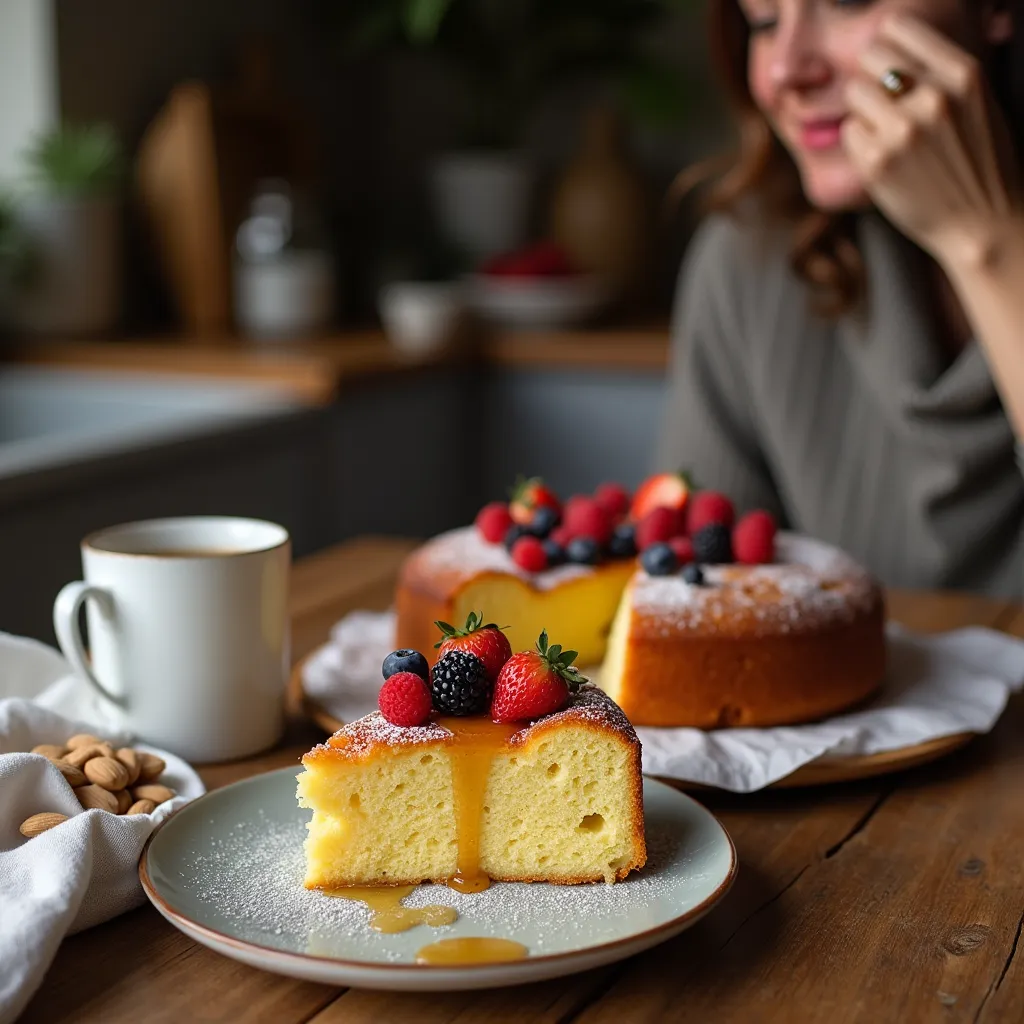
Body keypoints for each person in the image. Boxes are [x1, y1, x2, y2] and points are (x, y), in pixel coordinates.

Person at [656, 0, 1024, 596]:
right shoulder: (747, 261)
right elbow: (691, 596)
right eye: (764, 22)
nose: (786, 71)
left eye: (848, 3)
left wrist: (987, 241)